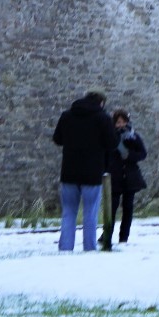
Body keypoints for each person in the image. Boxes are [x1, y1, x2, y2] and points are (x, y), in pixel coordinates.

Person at [52, 90, 116, 252]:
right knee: (90, 212)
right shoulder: (103, 118)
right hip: (92, 172)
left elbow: (57, 139)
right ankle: (89, 247)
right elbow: (112, 143)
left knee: (68, 212)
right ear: (101, 102)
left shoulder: (67, 116)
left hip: (69, 171)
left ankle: (65, 247)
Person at [106, 109, 148, 244]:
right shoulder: (110, 137)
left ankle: (124, 237)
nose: (121, 125)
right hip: (115, 176)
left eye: (123, 122)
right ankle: (107, 234)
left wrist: (129, 155)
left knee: (128, 208)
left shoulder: (134, 136)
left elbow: (142, 153)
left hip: (130, 176)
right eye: (118, 122)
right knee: (111, 208)